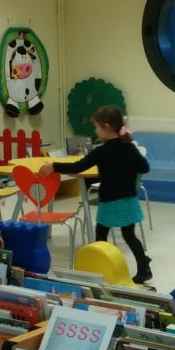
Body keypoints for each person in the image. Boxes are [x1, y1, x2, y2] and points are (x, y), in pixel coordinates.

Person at [40, 104, 152, 283]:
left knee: (101, 237)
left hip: (109, 202)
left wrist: (54, 166)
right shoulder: (129, 147)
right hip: (128, 200)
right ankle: (144, 267)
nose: (96, 131)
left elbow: (78, 167)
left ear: (106, 127)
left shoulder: (102, 151)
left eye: (97, 127)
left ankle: (103, 269)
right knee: (129, 236)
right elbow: (144, 167)